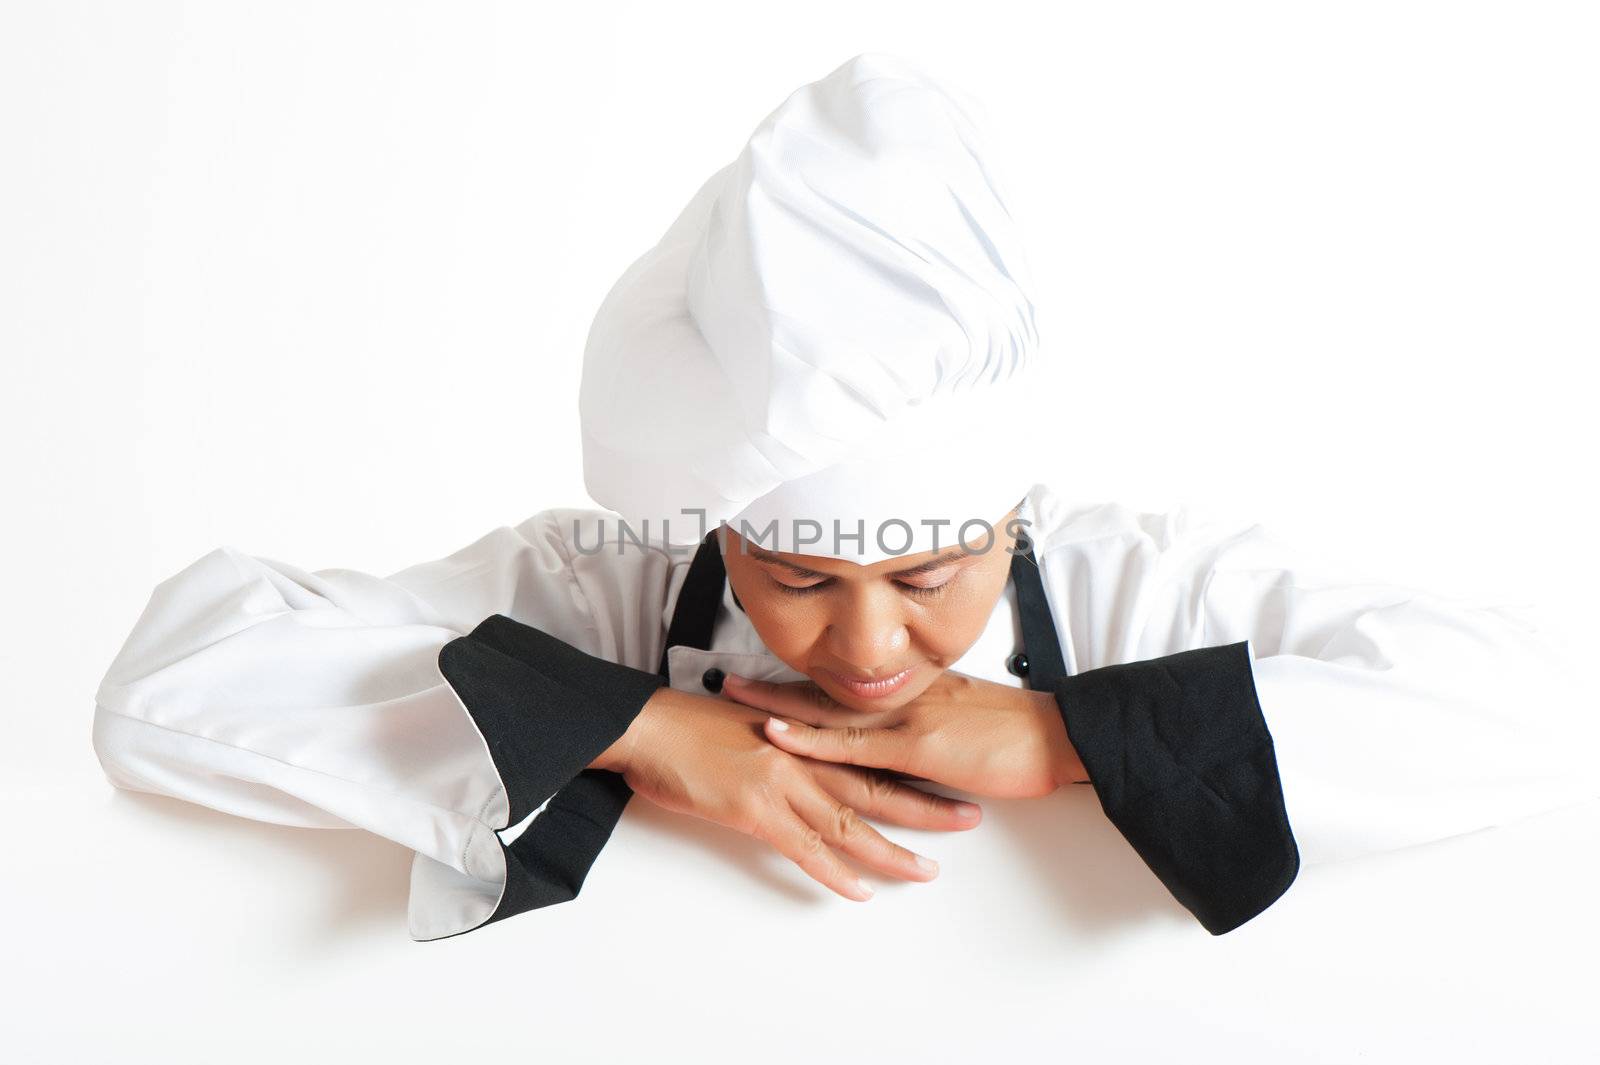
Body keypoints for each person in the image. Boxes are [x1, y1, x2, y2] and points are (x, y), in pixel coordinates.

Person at [91, 53, 1599, 943]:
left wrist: (1072, 732)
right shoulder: (607, 581)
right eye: (798, 578)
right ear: (718, 525)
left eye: (933, 569)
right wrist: (636, 720)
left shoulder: (1136, 583)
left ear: (1014, 511)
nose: (867, 643)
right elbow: (172, 683)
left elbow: (1540, 704)